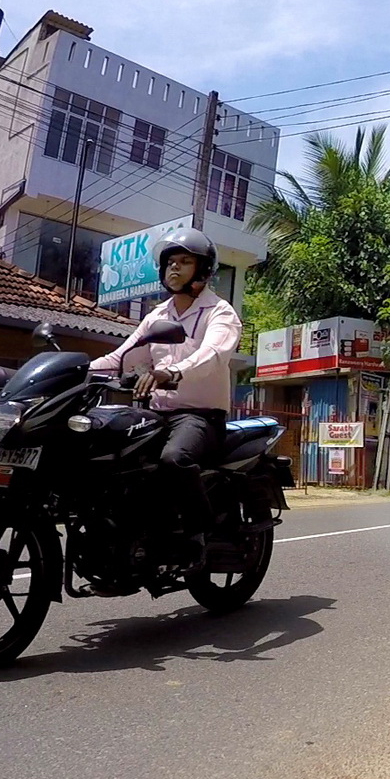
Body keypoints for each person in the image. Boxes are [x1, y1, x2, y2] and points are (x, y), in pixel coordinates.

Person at [91, 227, 239, 565]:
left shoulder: (219, 312)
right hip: (156, 415)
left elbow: (213, 354)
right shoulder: (157, 316)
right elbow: (123, 358)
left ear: (202, 269)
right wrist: (78, 370)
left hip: (200, 415)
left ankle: (198, 534)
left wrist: (172, 372)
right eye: (170, 261)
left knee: (174, 459)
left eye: (185, 261)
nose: (174, 267)